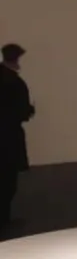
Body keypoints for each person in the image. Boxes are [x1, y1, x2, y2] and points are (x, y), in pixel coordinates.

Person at [0, 43, 34, 224]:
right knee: (8, 180)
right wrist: (30, 110)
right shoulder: (15, 83)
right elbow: (21, 112)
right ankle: (4, 219)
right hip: (9, 137)